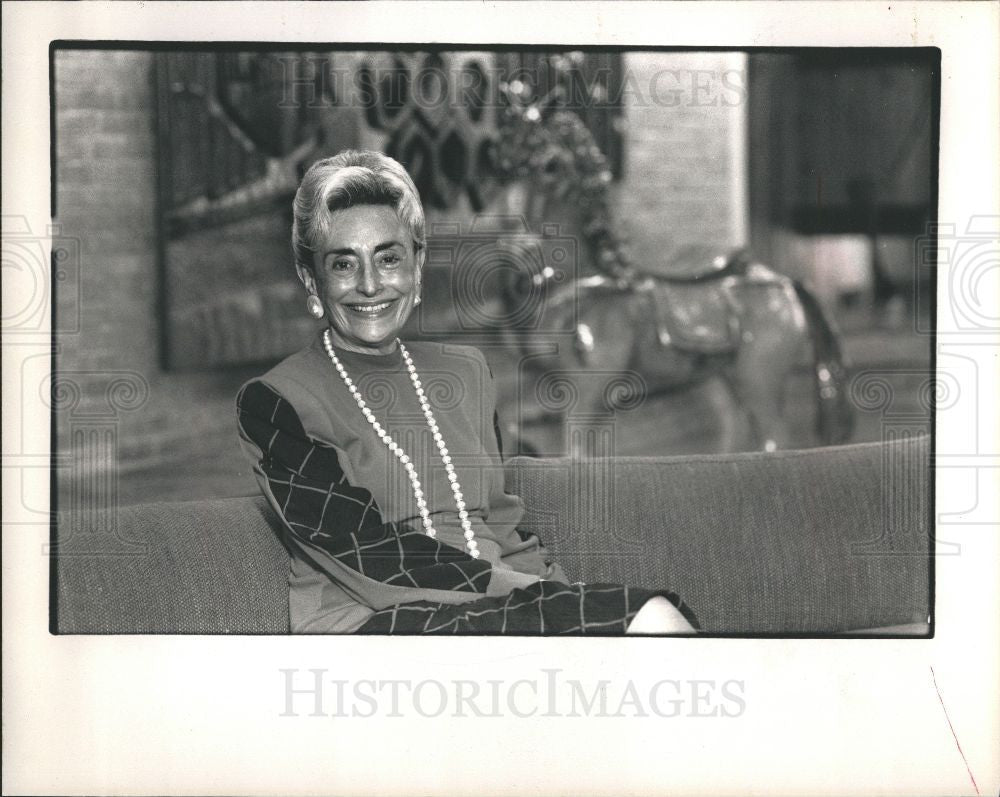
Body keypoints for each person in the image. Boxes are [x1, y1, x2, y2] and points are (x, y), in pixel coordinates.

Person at [235, 149, 698, 635]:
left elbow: (504, 528)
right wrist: (543, 602)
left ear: (417, 268)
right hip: (372, 629)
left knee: (649, 633)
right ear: (313, 282)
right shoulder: (276, 401)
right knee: (652, 621)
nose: (370, 285)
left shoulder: (466, 372)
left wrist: (567, 604)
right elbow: (365, 554)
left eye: (389, 258)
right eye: (344, 265)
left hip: (499, 613)